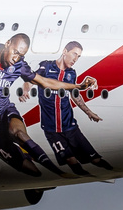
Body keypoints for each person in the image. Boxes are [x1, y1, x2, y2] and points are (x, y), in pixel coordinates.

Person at [0, 34, 90, 176]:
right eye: (15, 52)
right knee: (33, 172)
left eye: (21, 55)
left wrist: (76, 86)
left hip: (3, 110)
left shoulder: (19, 65)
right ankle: (31, 158)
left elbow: (45, 82)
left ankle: (57, 171)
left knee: (19, 133)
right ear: (7, 43)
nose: (16, 58)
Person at [35, 41, 113, 174]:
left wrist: (89, 112)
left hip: (70, 126)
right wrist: (26, 89)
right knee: (71, 161)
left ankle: (114, 171)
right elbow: (31, 79)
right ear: (65, 51)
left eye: (78, 56)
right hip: (51, 129)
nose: (75, 59)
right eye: (74, 54)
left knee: (96, 160)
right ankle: (89, 177)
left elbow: (74, 95)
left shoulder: (71, 73)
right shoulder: (46, 67)